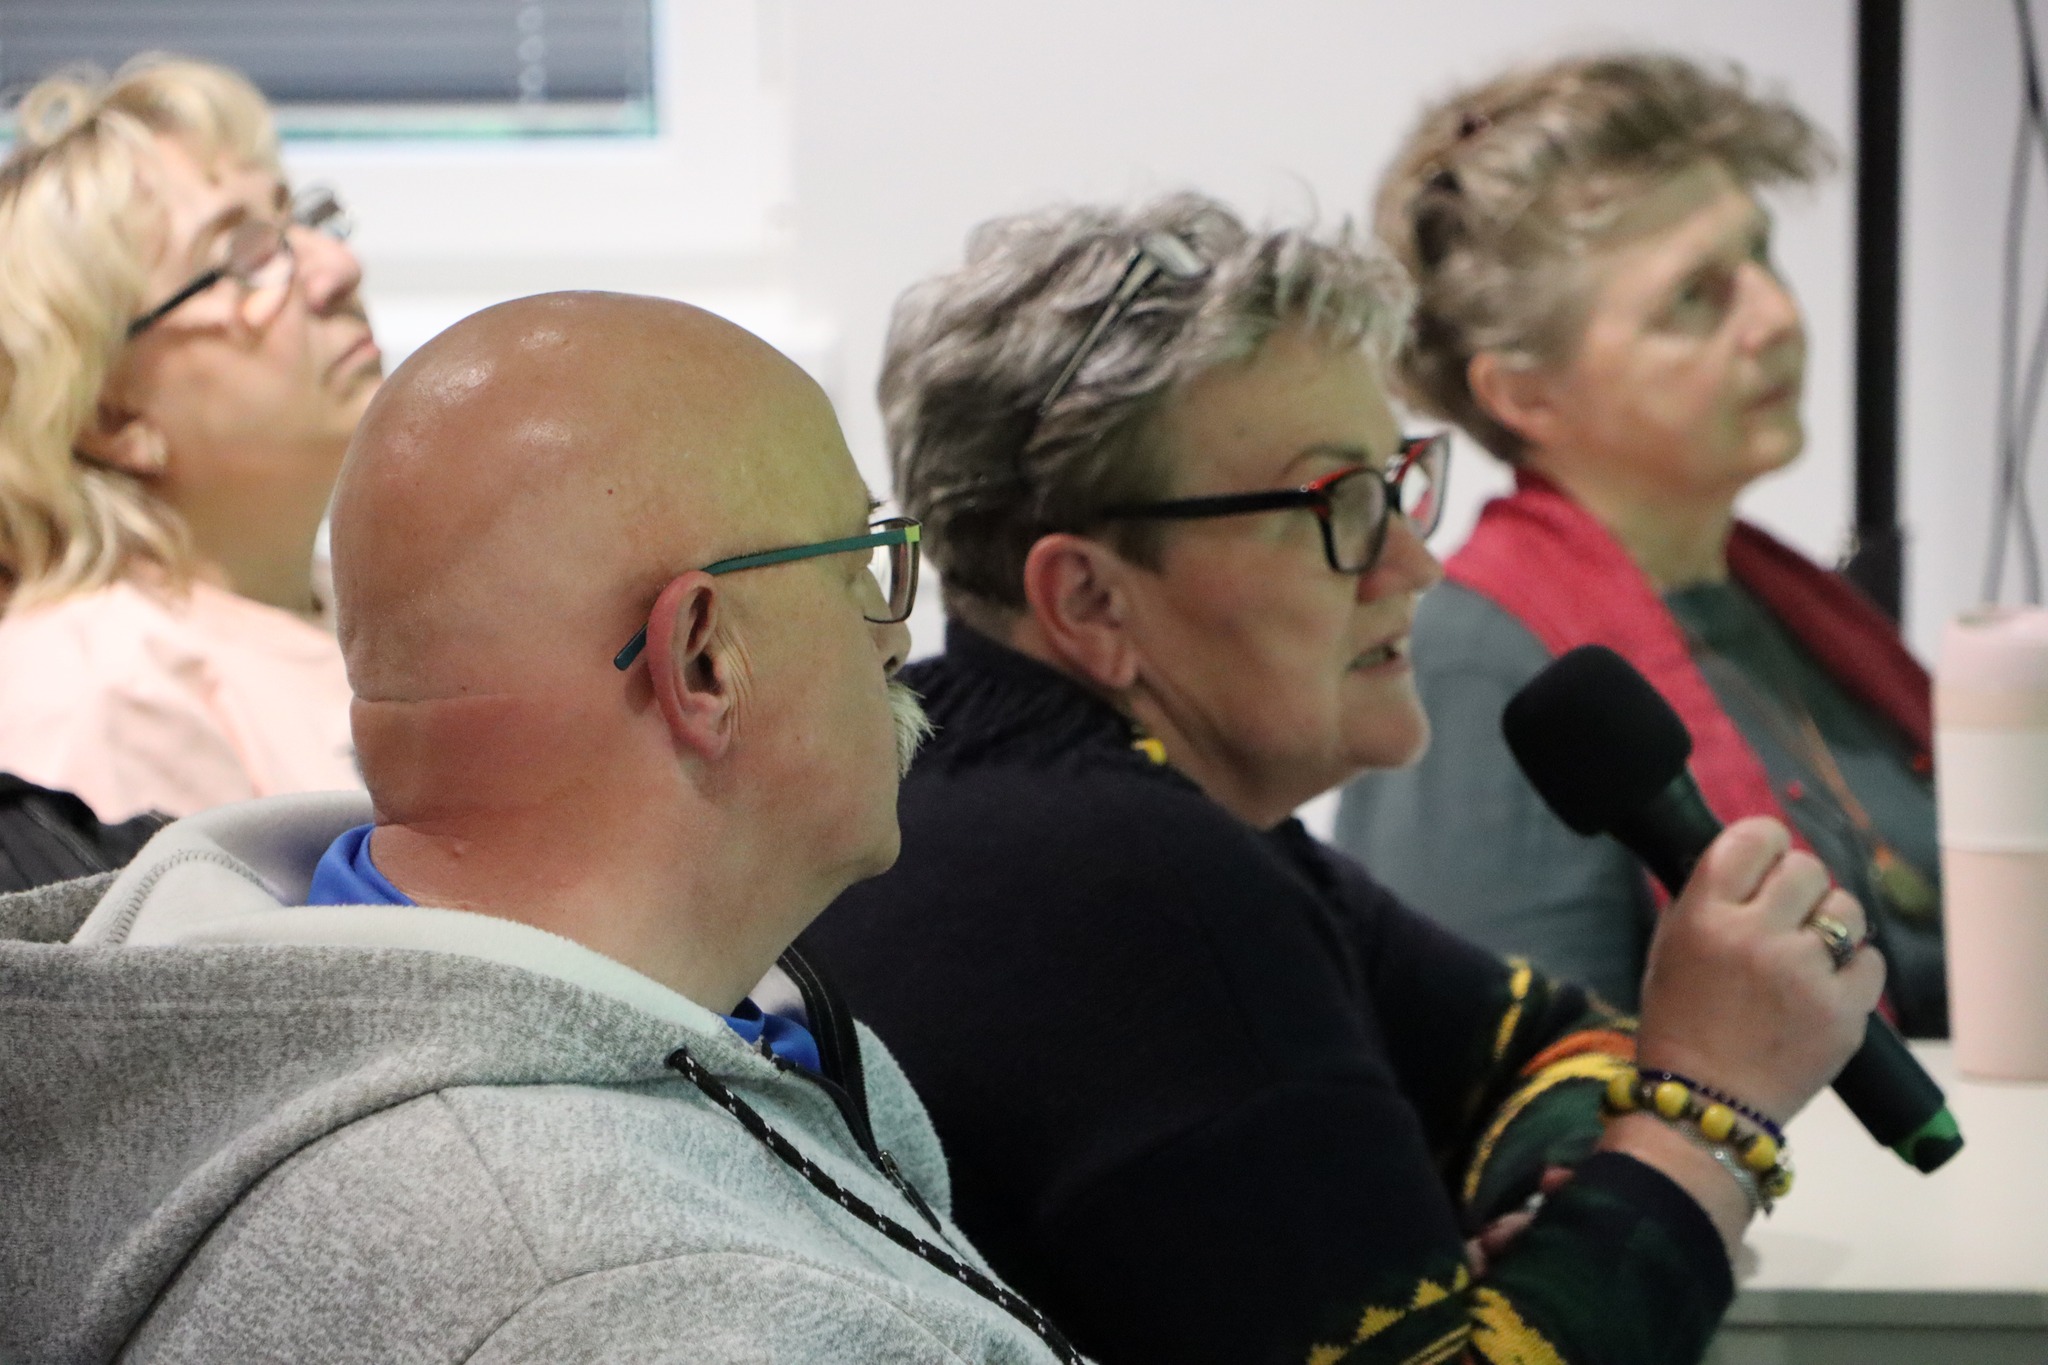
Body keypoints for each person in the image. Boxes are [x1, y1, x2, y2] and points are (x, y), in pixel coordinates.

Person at [800, 193, 1882, 1365]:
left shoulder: (1042, 788)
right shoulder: (1129, 884)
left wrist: (1562, 1225)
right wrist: (1704, 1118)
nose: (1411, 563)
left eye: (1394, 483)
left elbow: (1542, 1046)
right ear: (1090, 600)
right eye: (1335, 506)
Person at [0, 292, 1086, 1365]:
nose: (892, 639)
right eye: (856, 570)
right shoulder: (628, 1304)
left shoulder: (719, 1030)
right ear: (704, 658)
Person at [1333, 52, 1944, 1032]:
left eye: (1761, 254)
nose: (1777, 316)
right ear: (1524, 394)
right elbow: (1509, 1085)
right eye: (1694, 298)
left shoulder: (1783, 608)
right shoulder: (1476, 668)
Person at [0, 56, 378, 822]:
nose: (338, 267)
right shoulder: (99, 694)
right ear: (111, 419)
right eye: (245, 257)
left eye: (300, 219)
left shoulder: (362, 609)